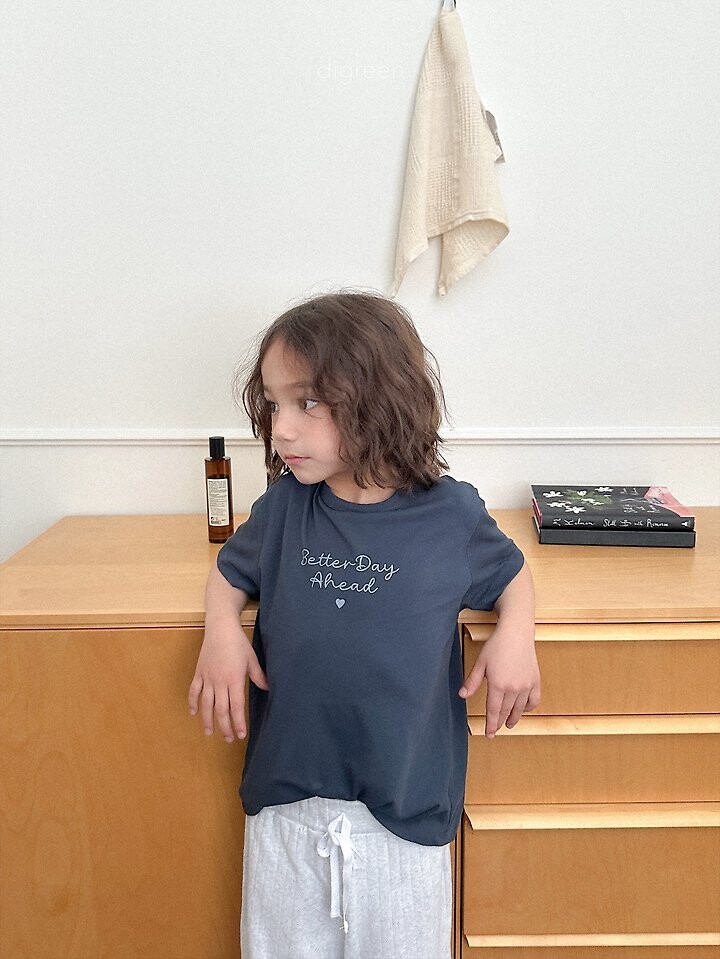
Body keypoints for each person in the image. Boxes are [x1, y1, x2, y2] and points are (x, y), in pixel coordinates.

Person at [188, 291, 540, 959]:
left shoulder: (450, 516)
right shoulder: (285, 508)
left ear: (379, 398)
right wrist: (222, 631)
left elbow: (511, 574)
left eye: (306, 402)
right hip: (286, 815)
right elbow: (231, 570)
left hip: (403, 822)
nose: (281, 429)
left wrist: (516, 633)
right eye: (274, 404)